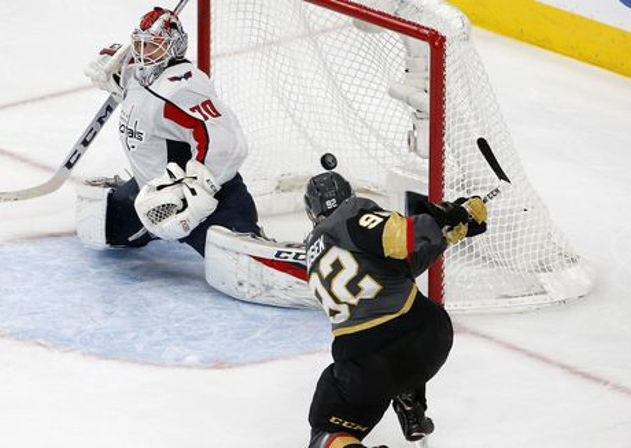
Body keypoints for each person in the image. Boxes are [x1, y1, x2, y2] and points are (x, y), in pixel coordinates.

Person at [302, 167, 487, 447]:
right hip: (428, 338)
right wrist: (448, 221)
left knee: (326, 429)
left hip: (365, 368)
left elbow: (396, 251)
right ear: (348, 196)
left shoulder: (313, 252)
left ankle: (400, 401)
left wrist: (445, 226)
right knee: (397, 323)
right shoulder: (352, 212)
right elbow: (403, 242)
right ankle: (410, 406)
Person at [77, 6, 260, 256]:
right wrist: (113, 64)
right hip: (151, 193)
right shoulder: (139, 75)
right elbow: (133, 81)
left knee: (240, 262)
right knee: (103, 227)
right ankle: (151, 223)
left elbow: (226, 142)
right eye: (139, 45)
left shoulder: (180, 88)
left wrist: (198, 191)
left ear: (173, 47)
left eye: (152, 46)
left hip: (202, 203)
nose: (142, 54)